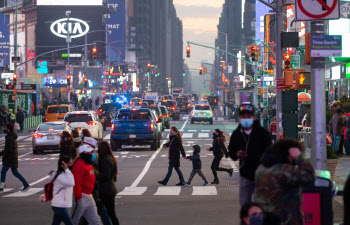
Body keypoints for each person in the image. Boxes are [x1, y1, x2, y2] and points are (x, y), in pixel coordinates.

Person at [255, 138, 315, 225]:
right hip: (285, 219)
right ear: (289, 155)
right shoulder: (283, 170)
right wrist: (299, 158)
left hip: (266, 217)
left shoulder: (261, 168)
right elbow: (309, 175)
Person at [228, 104, 272, 206]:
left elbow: (270, 151)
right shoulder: (236, 134)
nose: (246, 119)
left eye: (249, 116)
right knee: (244, 204)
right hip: (245, 174)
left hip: (262, 174)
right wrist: (237, 154)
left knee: (262, 204)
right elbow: (231, 152)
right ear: (239, 118)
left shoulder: (262, 133)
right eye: (243, 116)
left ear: (253, 117)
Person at [40, 155, 75, 225]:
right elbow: (71, 183)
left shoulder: (64, 174)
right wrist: (67, 170)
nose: (72, 165)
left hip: (59, 205)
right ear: (64, 165)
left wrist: (67, 171)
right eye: (70, 163)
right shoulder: (61, 176)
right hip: (59, 205)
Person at [71, 144, 100, 225]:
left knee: (95, 221)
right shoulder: (79, 166)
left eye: (91, 152)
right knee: (73, 221)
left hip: (89, 196)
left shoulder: (88, 165)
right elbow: (76, 183)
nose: (91, 154)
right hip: (82, 196)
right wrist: (79, 198)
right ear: (83, 153)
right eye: (89, 153)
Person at [0, 124, 30, 192]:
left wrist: (2, 154)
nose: (4, 129)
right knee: (15, 172)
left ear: (8, 129)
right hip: (12, 158)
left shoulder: (9, 137)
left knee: (3, 172)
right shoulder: (12, 136)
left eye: (5, 127)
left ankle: (1, 187)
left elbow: (8, 149)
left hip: (9, 159)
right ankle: (26, 184)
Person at [97, 141, 119, 225]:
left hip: (106, 190)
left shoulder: (106, 160)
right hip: (110, 189)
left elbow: (106, 176)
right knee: (110, 212)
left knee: (107, 212)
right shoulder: (110, 158)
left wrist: (97, 174)